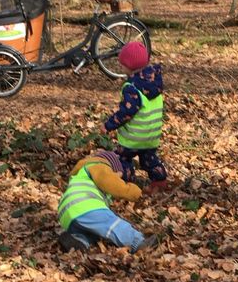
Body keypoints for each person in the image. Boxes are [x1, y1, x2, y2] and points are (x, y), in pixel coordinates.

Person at [101, 40, 171, 193]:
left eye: (122, 64)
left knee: (123, 158)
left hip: (133, 138)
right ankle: (160, 180)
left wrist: (108, 125)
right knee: (149, 160)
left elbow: (126, 113)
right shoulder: (155, 83)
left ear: (129, 66)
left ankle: (126, 182)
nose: (120, 67)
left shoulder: (132, 87)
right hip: (151, 135)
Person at [57, 149, 157, 253]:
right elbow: (114, 185)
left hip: (66, 214)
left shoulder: (81, 175)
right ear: (112, 168)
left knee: (91, 232)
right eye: (119, 175)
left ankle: (77, 241)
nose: (119, 178)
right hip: (86, 206)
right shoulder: (100, 167)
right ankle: (137, 242)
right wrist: (133, 192)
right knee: (112, 224)